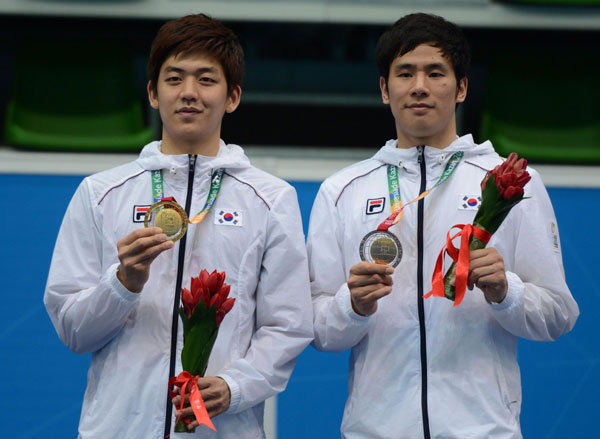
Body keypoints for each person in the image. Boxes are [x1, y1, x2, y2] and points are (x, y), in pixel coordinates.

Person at [307, 13, 579, 439]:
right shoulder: (342, 191)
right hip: (375, 431)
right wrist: (352, 305)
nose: (419, 85)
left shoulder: (507, 180)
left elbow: (558, 315)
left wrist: (506, 291)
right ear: (384, 89)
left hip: (483, 429)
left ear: (462, 87)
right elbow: (320, 330)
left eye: (435, 72)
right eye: (405, 73)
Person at [44, 14, 313, 439]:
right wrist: (123, 283)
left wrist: (235, 386)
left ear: (233, 97)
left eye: (206, 79)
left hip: (223, 429)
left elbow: (289, 324)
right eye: (174, 79)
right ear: (153, 93)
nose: (189, 93)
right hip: (118, 428)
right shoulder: (100, 193)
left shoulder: (271, 198)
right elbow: (73, 329)